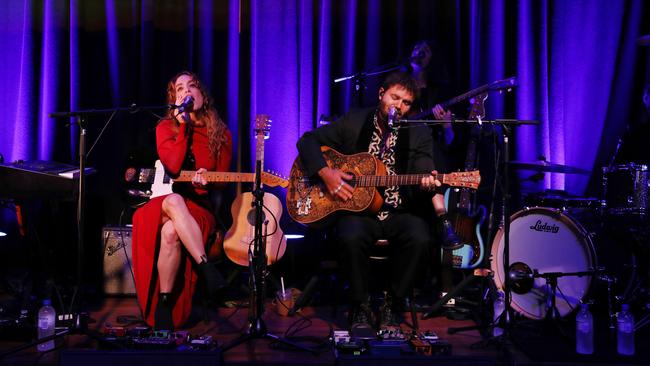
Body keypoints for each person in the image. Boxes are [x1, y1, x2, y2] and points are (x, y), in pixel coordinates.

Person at [296, 72, 461, 330]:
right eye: (395, 97)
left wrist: (429, 180)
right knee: (350, 235)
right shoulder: (354, 121)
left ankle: (393, 305)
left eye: (406, 103)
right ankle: (360, 306)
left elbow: (423, 165)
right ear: (381, 94)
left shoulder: (417, 131)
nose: (399, 106)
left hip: (398, 212)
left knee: (421, 238)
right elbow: (307, 141)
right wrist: (327, 174)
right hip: (359, 211)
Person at [131, 71, 233, 330]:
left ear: (202, 94)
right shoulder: (166, 128)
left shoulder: (220, 132)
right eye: (179, 89)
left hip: (198, 208)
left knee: (171, 232)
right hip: (163, 204)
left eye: (192, 86)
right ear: (174, 98)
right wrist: (184, 125)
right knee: (174, 200)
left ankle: (165, 305)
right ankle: (206, 267)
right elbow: (174, 166)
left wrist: (209, 177)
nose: (187, 92)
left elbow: (225, 177)